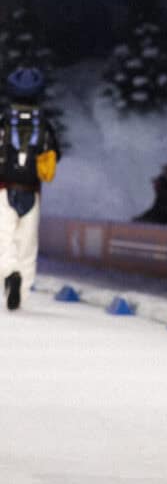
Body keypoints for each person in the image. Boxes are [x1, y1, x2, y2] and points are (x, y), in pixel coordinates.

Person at [0, 67, 60, 311]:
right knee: (27, 245)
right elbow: (55, 155)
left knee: (4, 240)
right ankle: (21, 293)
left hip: (3, 189)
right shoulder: (44, 124)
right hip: (31, 190)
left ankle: (10, 272)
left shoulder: (4, 120)